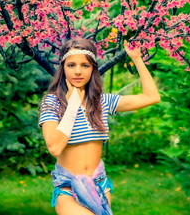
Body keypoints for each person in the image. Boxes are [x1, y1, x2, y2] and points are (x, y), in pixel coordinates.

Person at [38, 38, 160, 215]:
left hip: (100, 186)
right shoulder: (53, 102)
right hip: (68, 190)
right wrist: (72, 105)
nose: (78, 71)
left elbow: (152, 97)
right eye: (71, 65)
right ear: (63, 68)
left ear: (92, 69)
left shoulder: (101, 102)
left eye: (85, 65)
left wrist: (137, 59)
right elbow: (55, 147)